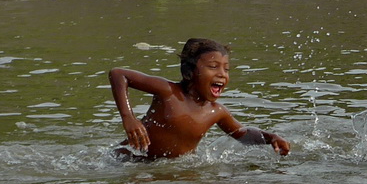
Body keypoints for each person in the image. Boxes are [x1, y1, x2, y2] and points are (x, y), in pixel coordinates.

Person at [109, 38, 291, 160]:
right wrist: (129, 118)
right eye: (213, 67)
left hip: (165, 169)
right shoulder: (169, 92)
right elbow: (118, 75)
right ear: (189, 73)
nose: (221, 74)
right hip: (125, 161)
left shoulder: (216, 111)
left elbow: (242, 134)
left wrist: (271, 138)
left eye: (226, 69)